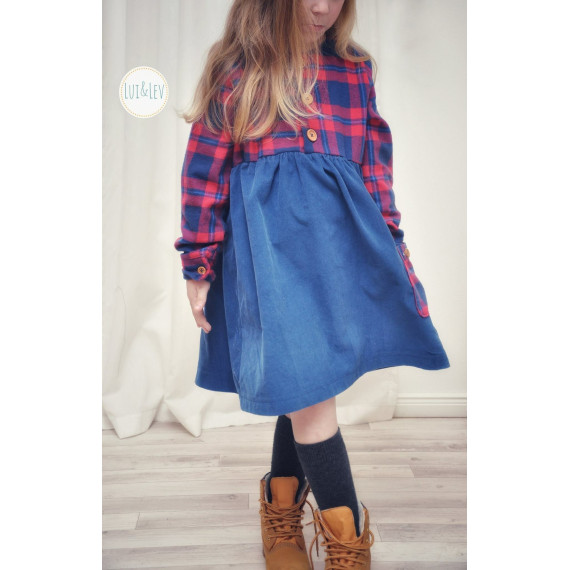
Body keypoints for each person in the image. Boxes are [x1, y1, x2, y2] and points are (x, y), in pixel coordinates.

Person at [174, 0, 450, 568]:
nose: (322, 6)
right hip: (271, 265)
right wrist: (197, 263)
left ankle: (280, 509)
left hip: (339, 255)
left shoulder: (354, 71)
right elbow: (203, 174)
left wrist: (394, 248)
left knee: (305, 384)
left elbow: (375, 172)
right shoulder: (239, 71)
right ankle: (349, 551)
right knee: (311, 395)